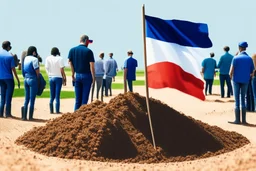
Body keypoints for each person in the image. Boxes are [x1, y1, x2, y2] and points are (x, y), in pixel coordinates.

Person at [229, 42, 254, 124]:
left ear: (239, 48)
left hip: (236, 80)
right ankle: (244, 120)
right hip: (245, 80)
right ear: (245, 48)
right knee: (243, 99)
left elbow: (231, 71)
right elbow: (252, 72)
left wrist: (230, 77)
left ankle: (237, 120)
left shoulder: (235, 58)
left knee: (237, 100)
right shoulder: (250, 59)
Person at [68, 34, 95, 111]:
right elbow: (91, 65)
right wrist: (93, 77)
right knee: (84, 100)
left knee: (77, 100)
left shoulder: (72, 50)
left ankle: (75, 117)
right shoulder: (89, 51)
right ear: (86, 41)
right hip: (87, 76)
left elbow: (70, 62)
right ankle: (82, 118)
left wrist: (73, 74)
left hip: (77, 75)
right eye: (88, 42)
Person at [0, 41, 20, 118]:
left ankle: (1, 113)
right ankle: (8, 113)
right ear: (8, 46)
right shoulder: (10, 56)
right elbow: (13, 69)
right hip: (8, 78)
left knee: (2, 96)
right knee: (8, 97)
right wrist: (17, 79)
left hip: (0, 78)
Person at [45, 47, 66, 114]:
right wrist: (64, 77)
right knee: (57, 95)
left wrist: (49, 75)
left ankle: (51, 110)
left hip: (51, 77)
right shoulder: (60, 58)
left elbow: (46, 68)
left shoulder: (48, 58)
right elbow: (62, 69)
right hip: (58, 77)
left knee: (52, 95)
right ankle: (57, 110)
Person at [21, 46, 40, 120]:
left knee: (26, 99)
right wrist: (38, 78)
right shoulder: (35, 59)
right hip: (32, 79)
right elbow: (37, 70)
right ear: (34, 52)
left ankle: (24, 117)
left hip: (26, 79)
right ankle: (30, 117)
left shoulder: (26, 58)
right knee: (32, 99)